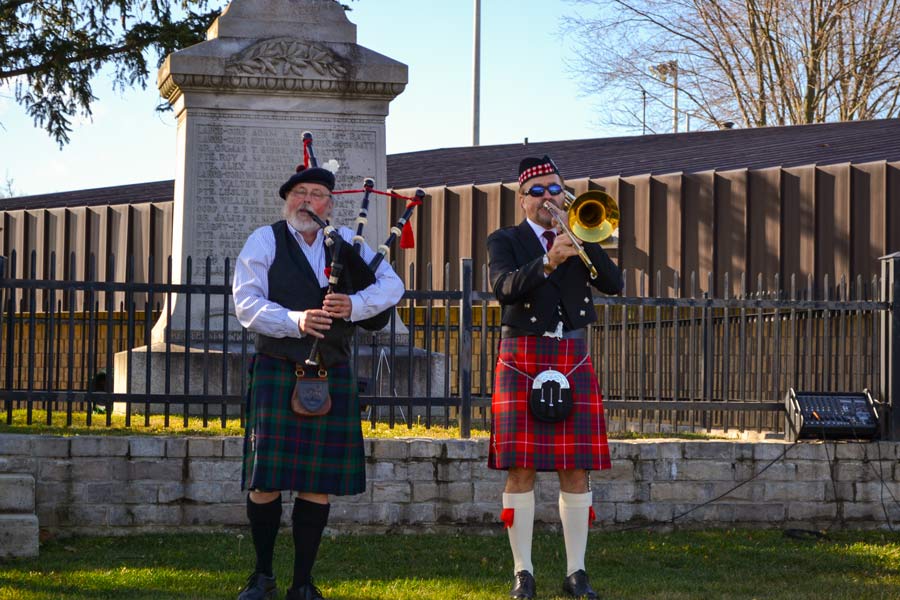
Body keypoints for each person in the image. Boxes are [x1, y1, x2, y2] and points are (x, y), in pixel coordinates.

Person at [232, 163, 404, 600]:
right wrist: (296, 320)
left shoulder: (344, 242)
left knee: (317, 484)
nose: (306, 201)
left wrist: (355, 304)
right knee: (265, 481)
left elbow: (392, 286)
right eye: (299, 193)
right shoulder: (265, 239)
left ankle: (302, 583)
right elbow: (246, 305)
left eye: (316, 195)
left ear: (330, 204)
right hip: (277, 366)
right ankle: (262, 575)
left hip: (330, 370)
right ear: (287, 199)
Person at [486, 156, 622, 600]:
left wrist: (583, 238)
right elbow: (504, 287)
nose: (549, 197)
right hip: (522, 352)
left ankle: (576, 573)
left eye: (555, 189)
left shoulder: (582, 231)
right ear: (522, 199)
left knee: (575, 468)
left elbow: (614, 284)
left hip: (571, 353)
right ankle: (522, 572)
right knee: (520, 468)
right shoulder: (504, 239)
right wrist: (546, 261)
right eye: (539, 191)